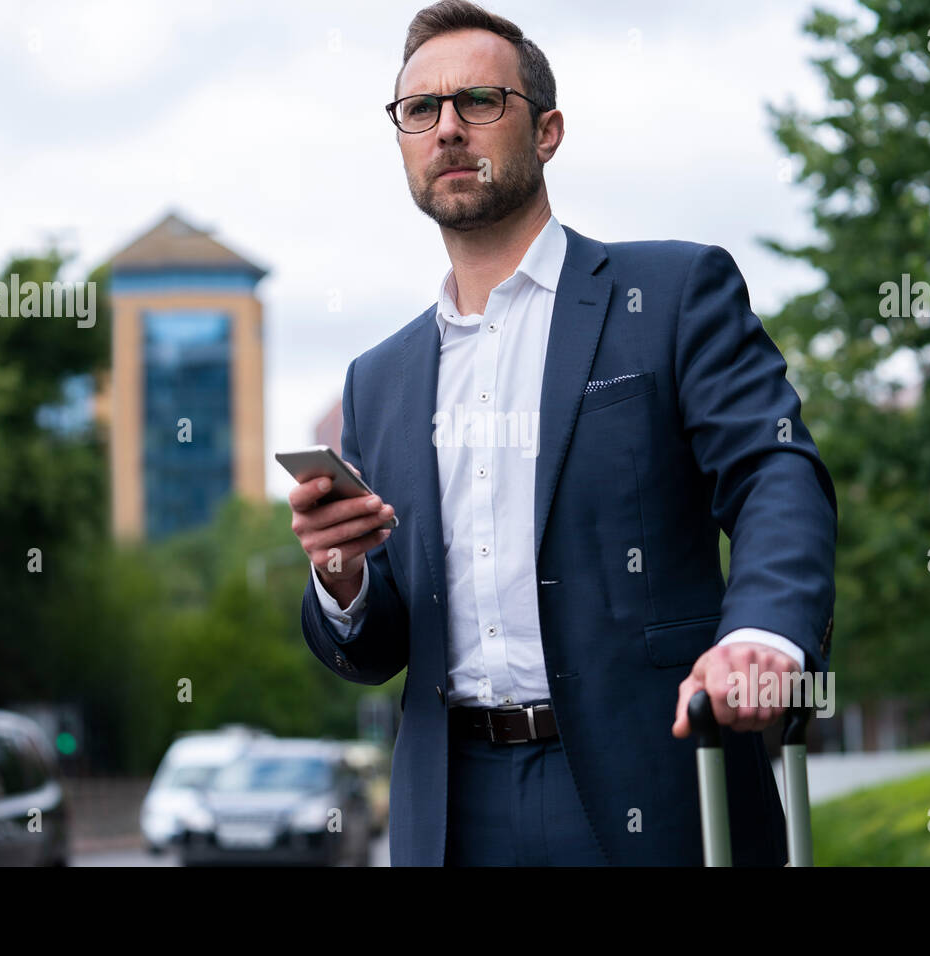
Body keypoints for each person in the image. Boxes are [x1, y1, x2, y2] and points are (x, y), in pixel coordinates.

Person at [289, 0, 836, 866]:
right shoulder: (378, 380)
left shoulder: (673, 293)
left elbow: (774, 472)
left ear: (546, 131)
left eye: (478, 101)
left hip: (653, 780)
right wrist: (342, 574)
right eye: (420, 110)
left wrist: (760, 636)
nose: (447, 129)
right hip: (451, 812)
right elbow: (379, 645)